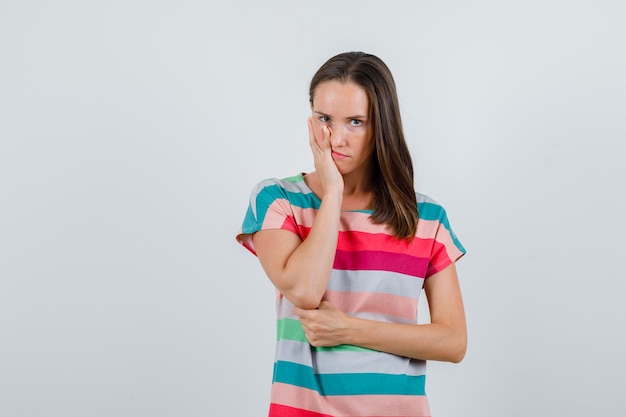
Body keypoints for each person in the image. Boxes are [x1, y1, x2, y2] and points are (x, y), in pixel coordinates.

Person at [236, 51, 466, 417]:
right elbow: (305, 290)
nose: (336, 138)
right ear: (310, 118)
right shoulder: (277, 200)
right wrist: (333, 193)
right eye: (324, 118)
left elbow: (453, 342)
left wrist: (348, 330)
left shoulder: (427, 217)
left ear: (381, 127)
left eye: (355, 122)